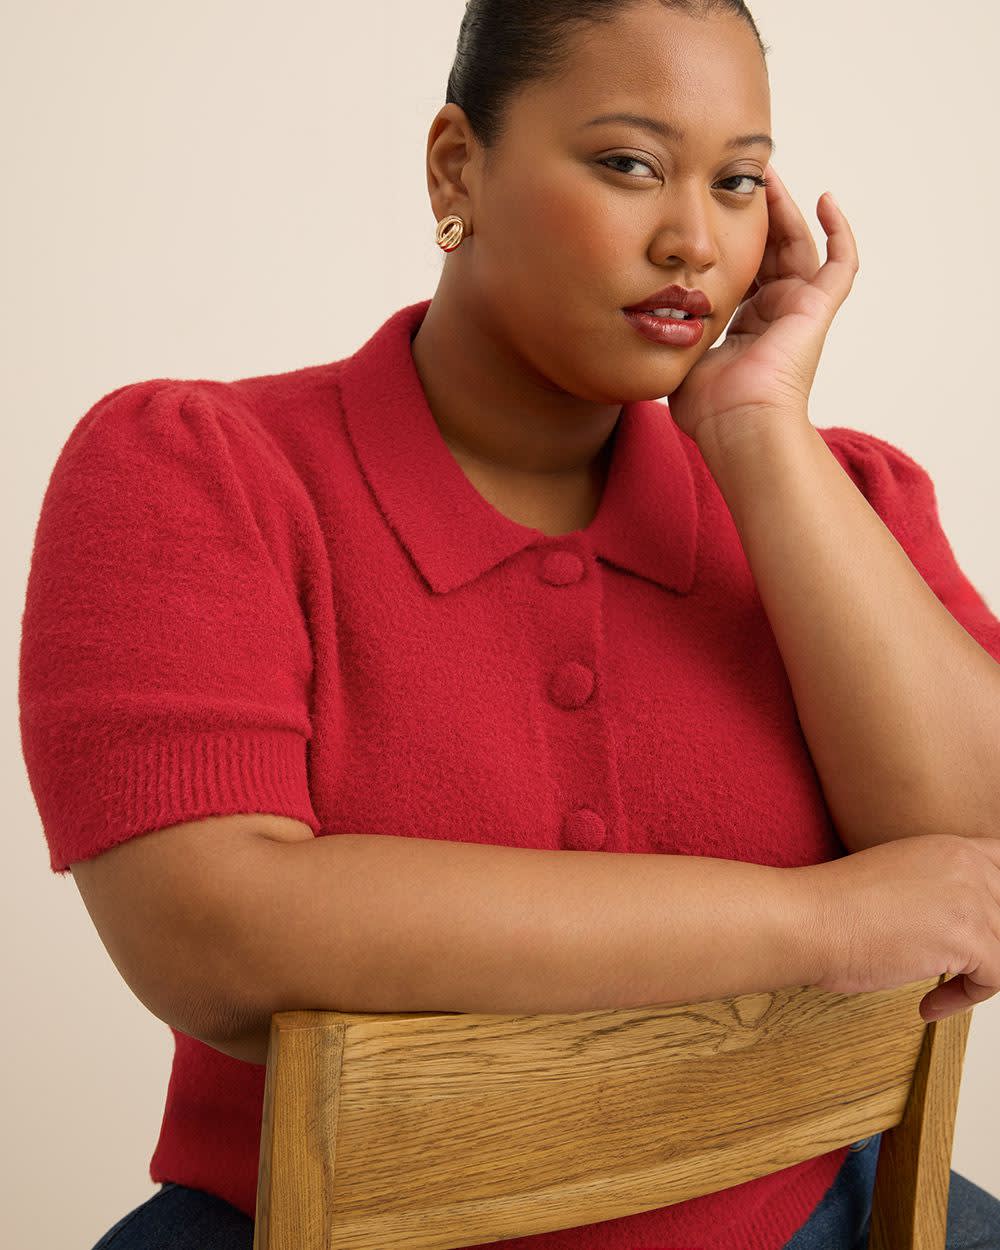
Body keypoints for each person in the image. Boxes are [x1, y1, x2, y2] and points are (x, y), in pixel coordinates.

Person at [18, 1, 1000, 1248]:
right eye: (628, 164)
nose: (694, 239)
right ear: (456, 167)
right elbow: (213, 932)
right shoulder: (198, 470)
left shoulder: (838, 500)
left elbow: (980, 860)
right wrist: (825, 921)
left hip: (833, 1218)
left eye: (740, 180)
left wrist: (758, 434)